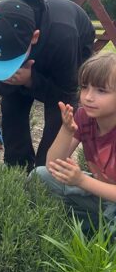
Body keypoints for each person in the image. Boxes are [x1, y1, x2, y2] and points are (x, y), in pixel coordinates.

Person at [0, 0, 95, 171]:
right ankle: (18, 167)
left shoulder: (65, 38)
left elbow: (65, 95)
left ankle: (44, 174)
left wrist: (31, 80)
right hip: (32, 45)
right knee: (12, 103)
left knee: (58, 114)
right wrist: (11, 82)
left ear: (34, 37)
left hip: (71, 42)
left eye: (9, 61)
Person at [33, 52, 116, 229]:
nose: (88, 97)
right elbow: (52, 166)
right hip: (99, 193)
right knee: (40, 176)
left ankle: (96, 229)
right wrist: (67, 130)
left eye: (101, 90)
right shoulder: (84, 116)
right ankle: (91, 224)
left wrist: (81, 181)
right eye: (85, 87)